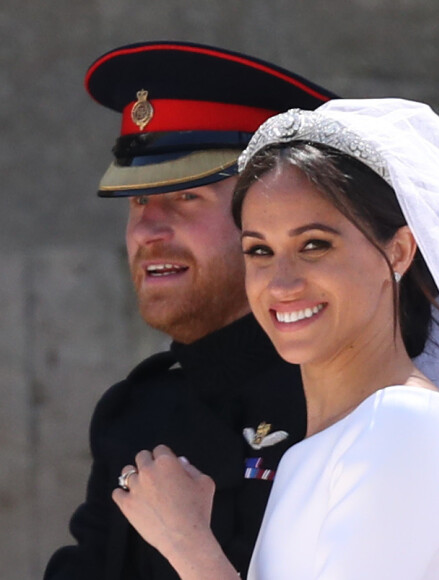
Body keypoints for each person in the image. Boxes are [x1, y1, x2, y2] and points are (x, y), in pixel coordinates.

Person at [111, 98, 439, 580]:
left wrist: (187, 543)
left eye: (315, 245)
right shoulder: (331, 442)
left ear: (397, 251)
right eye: (259, 250)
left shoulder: (402, 424)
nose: (282, 282)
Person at [43, 41, 337, 580]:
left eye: (185, 197)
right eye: (137, 201)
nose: (148, 231)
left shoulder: (347, 394)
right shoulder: (137, 410)